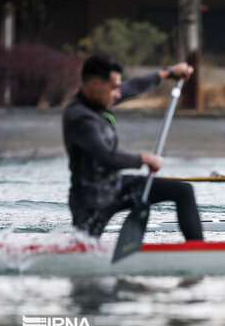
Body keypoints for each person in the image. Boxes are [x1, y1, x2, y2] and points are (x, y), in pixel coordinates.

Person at [63, 55, 203, 240]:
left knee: (183, 191)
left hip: (115, 186)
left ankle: (197, 250)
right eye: (114, 88)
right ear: (95, 85)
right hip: (90, 199)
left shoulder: (100, 99)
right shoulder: (79, 117)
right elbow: (106, 157)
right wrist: (143, 159)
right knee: (84, 249)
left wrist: (169, 72)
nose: (118, 94)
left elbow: (133, 86)